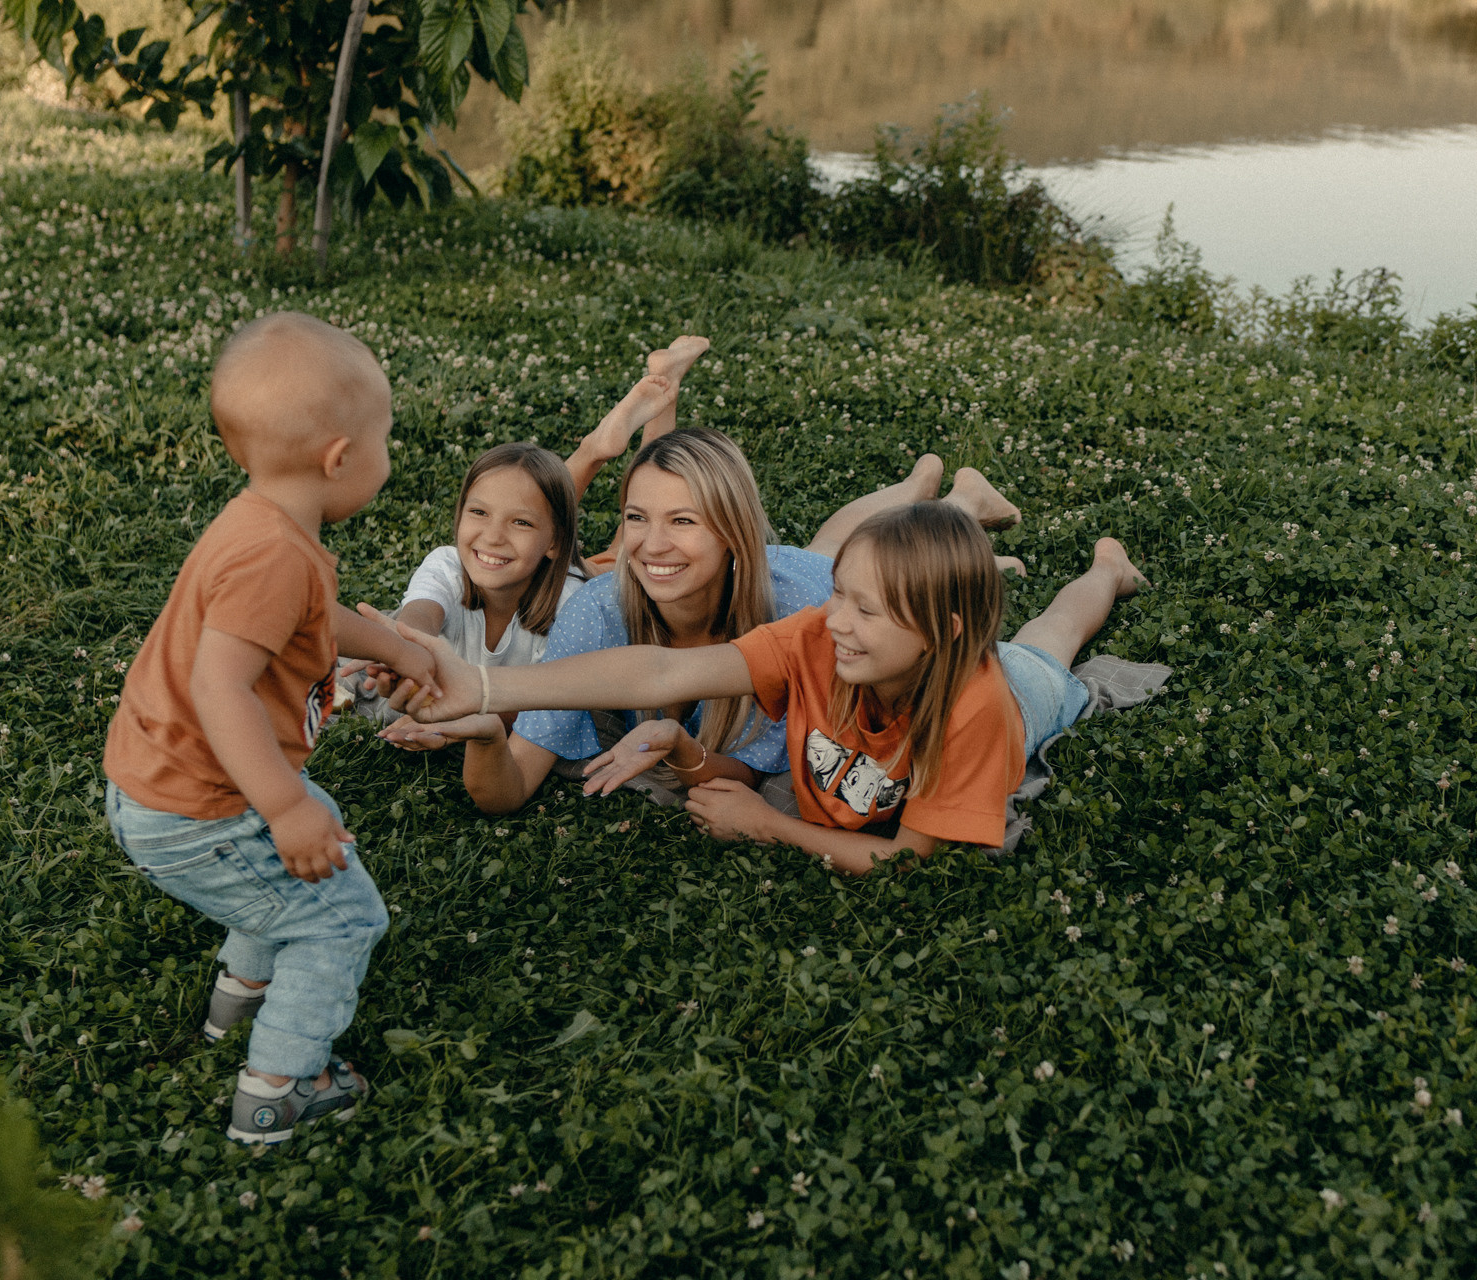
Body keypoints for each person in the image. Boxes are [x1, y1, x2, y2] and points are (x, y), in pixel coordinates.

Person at [101, 312, 445, 1144]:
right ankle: (281, 1085)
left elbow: (316, 619)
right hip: (198, 805)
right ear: (340, 458)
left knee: (288, 872)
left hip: (169, 786)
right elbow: (218, 688)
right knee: (339, 913)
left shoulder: (264, 524)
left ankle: (241, 997)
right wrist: (286, 807)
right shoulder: (272, 558)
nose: (389, 454)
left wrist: (398, 646)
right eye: (386, 438)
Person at [380, 502, 1147, 873]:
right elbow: (662, 670)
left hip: (1012, 688)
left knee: (1049, 644)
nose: (835, 619)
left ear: (942, 628)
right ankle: (1098, 570)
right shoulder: (818, 635)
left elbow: (909, 860)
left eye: (866, 609)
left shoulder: (976, 709)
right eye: (838, 592)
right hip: (943, 660)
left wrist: (769, 824)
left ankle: (1107, 570)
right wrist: (485, 685)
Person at [376, 430, 1025, 816]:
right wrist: (488, 729)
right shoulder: (599, 611)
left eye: (682, 521)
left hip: (798, 581)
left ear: (731, 532)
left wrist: (684, 755)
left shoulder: (804, 619)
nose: (651, 544)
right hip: (756, 578)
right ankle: (928, 480)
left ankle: (956, 500)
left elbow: (746, 771)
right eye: (636, 518)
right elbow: (509, 789)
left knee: (830, 555)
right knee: (826, 545)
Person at [340, 338, 711, 723]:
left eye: (517, 524)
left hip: (584, 586)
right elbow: (417, 617)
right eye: (478, 512)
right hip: (546, 564)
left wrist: (455, 725)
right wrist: (402, 645)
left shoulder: (575, 604)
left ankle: (631, 416)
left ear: (556, 546)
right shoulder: (449, 566)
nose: (493, 536)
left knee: (639, 536)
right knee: (550, 515)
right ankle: (615, 430)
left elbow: (539, 702)